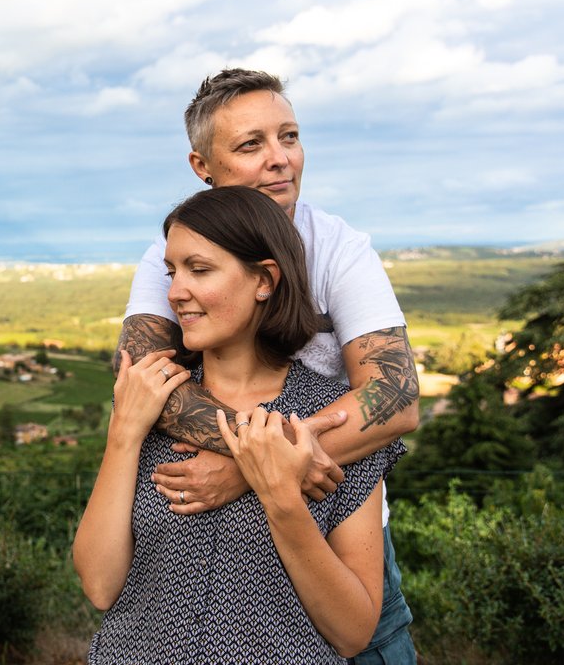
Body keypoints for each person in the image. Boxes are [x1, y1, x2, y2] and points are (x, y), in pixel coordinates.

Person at [118, 68, 419, 663]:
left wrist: (260, 467)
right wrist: (268, 462)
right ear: (202, 166)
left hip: (338, 530)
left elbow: (397, 398)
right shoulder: (172, 255)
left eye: (289, 137)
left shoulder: (337, 247)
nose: (280, 159)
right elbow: (146, 383)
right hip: (202, 533)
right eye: (251, 144)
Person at [74, 186, 406, 663]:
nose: (175, 292)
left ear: (264, 280)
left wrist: (277, 494)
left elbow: (353, 632)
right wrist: (124, 433)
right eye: (172, 272)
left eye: (199, 269)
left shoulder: (329, 419)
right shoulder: (154, 402)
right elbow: (100, 585)